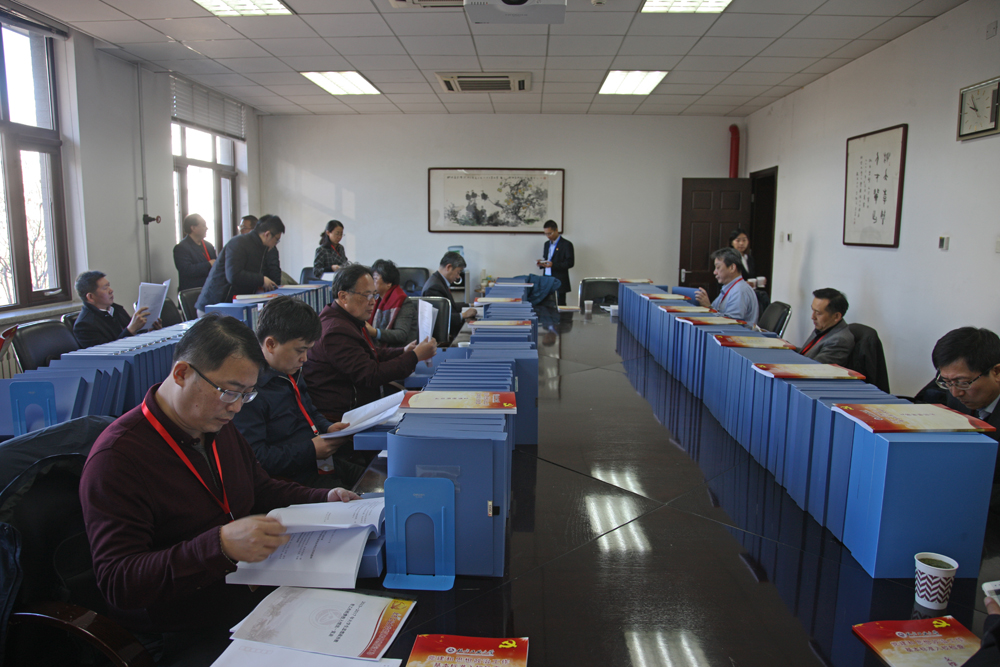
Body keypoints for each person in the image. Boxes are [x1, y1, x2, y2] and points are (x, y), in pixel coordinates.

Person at [79, 314, 359, 662]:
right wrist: (220, 545)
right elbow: (119, 582)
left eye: (246, 395)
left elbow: (260, 487)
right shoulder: (118, 458)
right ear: (182, 374)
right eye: (228, 391)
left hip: (247, 593)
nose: (236, 407)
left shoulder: (214, 423)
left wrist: (325, 498)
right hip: (184, 627)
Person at [233, 297, 365, 489]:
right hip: (292, 480)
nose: (305, 358)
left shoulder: (290, 370)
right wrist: (310, 450)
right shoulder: (250, 391)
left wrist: (327, 427)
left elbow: (309, 411)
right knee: (362, 495)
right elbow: (257, 457)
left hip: (319, 463)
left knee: (378, 477)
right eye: (299, 351)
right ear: (271, 344)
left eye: (308, 350)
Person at [304, 264, 437, 424]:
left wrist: (404, 351)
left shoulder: (346, 319)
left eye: (374, 295)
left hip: (360, 405)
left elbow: (369, 353)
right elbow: (370, 375)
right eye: (367, 295)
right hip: (342, 417)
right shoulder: (336, 331)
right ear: (344, 296)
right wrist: (414, 356)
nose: (373, 302)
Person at [195, 214, 283, 315]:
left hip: (233, 306)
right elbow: (233, 275)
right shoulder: (239, 243)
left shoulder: (260, 248)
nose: (276, 243)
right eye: (276, 240)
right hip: (215, 306)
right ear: (267, 235)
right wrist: (261, 280)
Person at [73, 271, 160, 349]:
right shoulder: (84, 325)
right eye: (105, 288)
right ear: (91, 297)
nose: (111, 290)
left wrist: (150, 331)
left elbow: (136, 336)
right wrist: (130, 330)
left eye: (109, 286)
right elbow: (107, 353)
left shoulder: (116, 309)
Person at [695, 247, 759, 326]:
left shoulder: (739, 291)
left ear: (732, 268)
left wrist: (708, 307)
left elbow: (731, 324)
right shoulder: (729, 287)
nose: (714, 272)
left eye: (718, 267)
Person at [421, 251, 476, 338]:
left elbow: (450, 306)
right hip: (443, 336)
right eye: (458, 272)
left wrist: (471, 305)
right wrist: (464, 315)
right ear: (449, 267)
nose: (458, 277)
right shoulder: (434, 287)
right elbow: (440, 318)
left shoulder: (438, 281)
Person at [366, 259, 417, 347]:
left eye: (375, 279)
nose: (371, 283)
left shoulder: (403, 302)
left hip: (399, 350)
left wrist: (375, 332)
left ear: (388, 283)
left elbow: (401, 334)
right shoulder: (376, 299)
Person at [797, 288, 855, 365]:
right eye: (813, 310)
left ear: (836, 316)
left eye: (818, 313)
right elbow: (807, 353)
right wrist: (786, 347)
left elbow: (814, 367)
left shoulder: (839, 340)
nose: (813, 317)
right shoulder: (824, 327)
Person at [173, 213, 217, 291]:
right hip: (192, 292)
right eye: (203, 225)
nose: (206, 228)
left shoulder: (209, 246)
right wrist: (208, 264)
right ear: (193, 228)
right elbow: (186, 270)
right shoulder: (181, 248)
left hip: (211, 289)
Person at [536, 220, 575, 306]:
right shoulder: (546, 244)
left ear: (556, 230)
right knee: (546, 304)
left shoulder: (566, 244)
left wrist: (553, 265)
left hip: (560, 279)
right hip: (547, 278)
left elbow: (570, 263)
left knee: (560, 305)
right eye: (546, 234)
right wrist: (542, 264)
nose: (548, 236)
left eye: (550, 233)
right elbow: (547, 259)